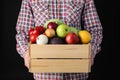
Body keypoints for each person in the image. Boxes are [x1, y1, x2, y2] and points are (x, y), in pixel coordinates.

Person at [15, 0, 103, 80]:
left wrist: (91, 51)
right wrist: (26, 53)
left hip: (75, 71)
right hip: (44, 72)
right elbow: (23, 31)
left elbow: (94, 29)